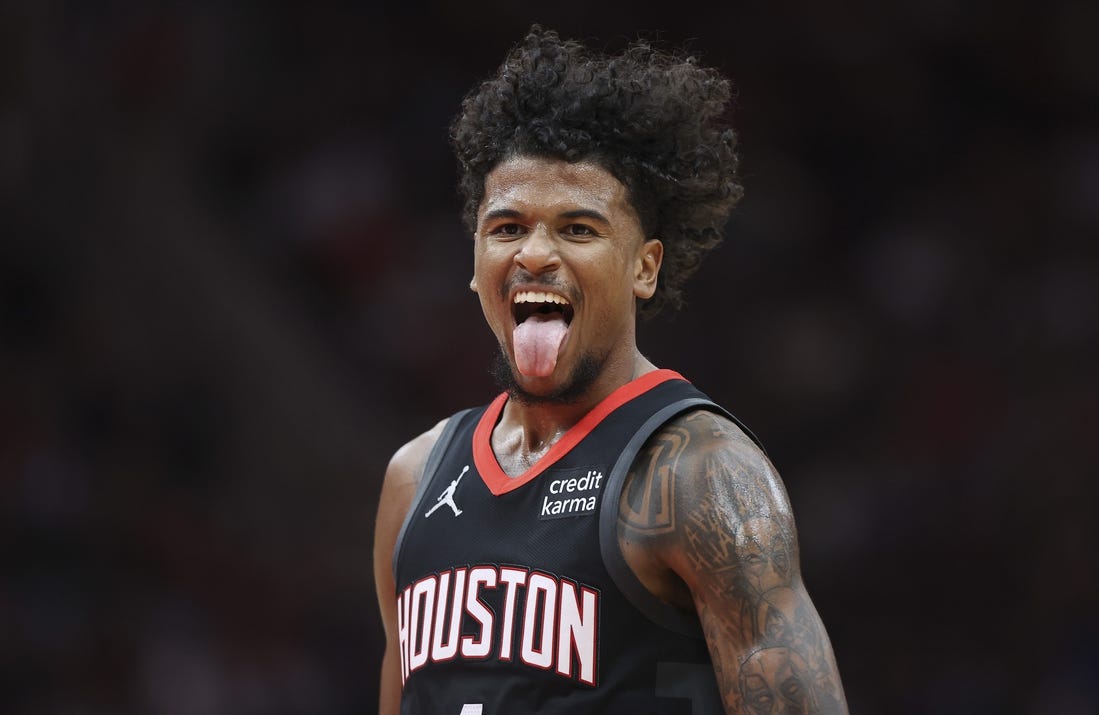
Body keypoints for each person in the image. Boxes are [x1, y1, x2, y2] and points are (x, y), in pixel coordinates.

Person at [373, 26, 848, 714]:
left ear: (643, 266)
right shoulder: (412, 479)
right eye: (506, 228)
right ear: (473, 263)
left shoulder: (698, 473)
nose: (534, 253)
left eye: (577, 229)